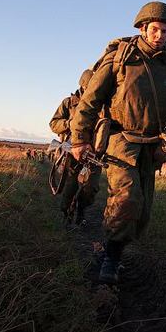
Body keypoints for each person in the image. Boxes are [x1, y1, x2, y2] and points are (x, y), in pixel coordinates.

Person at [69, 1, 166, 285]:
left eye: (165, 31)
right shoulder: (120, 59)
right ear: (143, 28)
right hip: (121, 140)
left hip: (153, 146)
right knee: (127, 200)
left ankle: (111, 247)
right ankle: (111, 259)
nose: (160, 35)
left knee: (142, 212)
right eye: (155, 29)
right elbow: (89, 101)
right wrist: (80, 138)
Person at [49, 69, 101, 224]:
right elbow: (54, 124)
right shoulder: (69, 103)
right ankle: (66, 215)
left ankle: (81, 210)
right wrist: (70, 124)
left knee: (90, 188)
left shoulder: (102, 104)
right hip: (71, 153)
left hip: (93, 155)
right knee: (70, 186)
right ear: (84, 85)